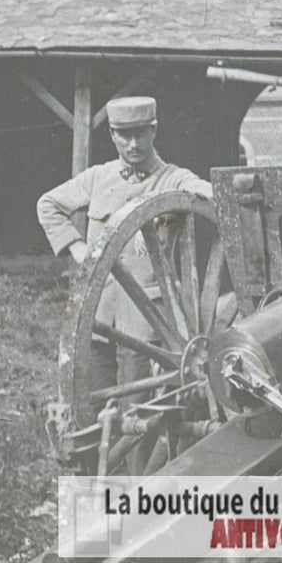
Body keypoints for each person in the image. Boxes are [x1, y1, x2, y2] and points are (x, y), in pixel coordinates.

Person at [37, 95, 212, 391]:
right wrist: (81, 252)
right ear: (113, 136)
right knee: (93, 405)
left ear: (154, 131)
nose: (133, 144)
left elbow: (204, 192)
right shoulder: (97, 178)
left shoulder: (173, 178)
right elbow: (48, 205)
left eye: (141, 133)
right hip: (98, 317)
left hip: (147, 325)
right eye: (125, 135)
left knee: (138, 414)